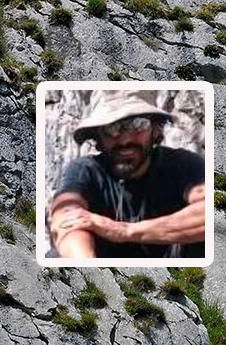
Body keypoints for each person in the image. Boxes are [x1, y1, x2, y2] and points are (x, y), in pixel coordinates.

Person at [48, 90, 206, 259]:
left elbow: (210, 214)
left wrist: (124, 231)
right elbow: (65, 220)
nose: (124, 140)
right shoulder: (85, 171)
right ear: (98, 139)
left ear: (156, 130)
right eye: (112, 129)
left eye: (138, 125)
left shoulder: (183, 164)